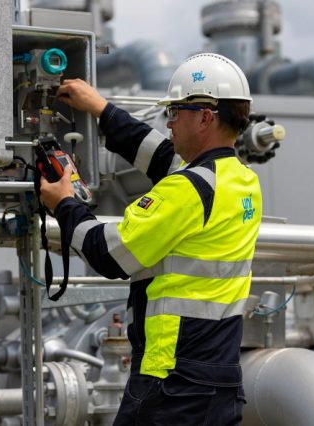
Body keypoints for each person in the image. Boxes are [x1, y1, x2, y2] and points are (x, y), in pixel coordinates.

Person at [39, 53, 262, 426]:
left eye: (175, 112)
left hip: (171, 383)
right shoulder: (241, 180)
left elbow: (108, 254)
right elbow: (159, 155)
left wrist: (63, 204)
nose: (169, 122)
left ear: (205, 117)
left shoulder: (186, 189)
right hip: (219, 381)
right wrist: (101, 109)